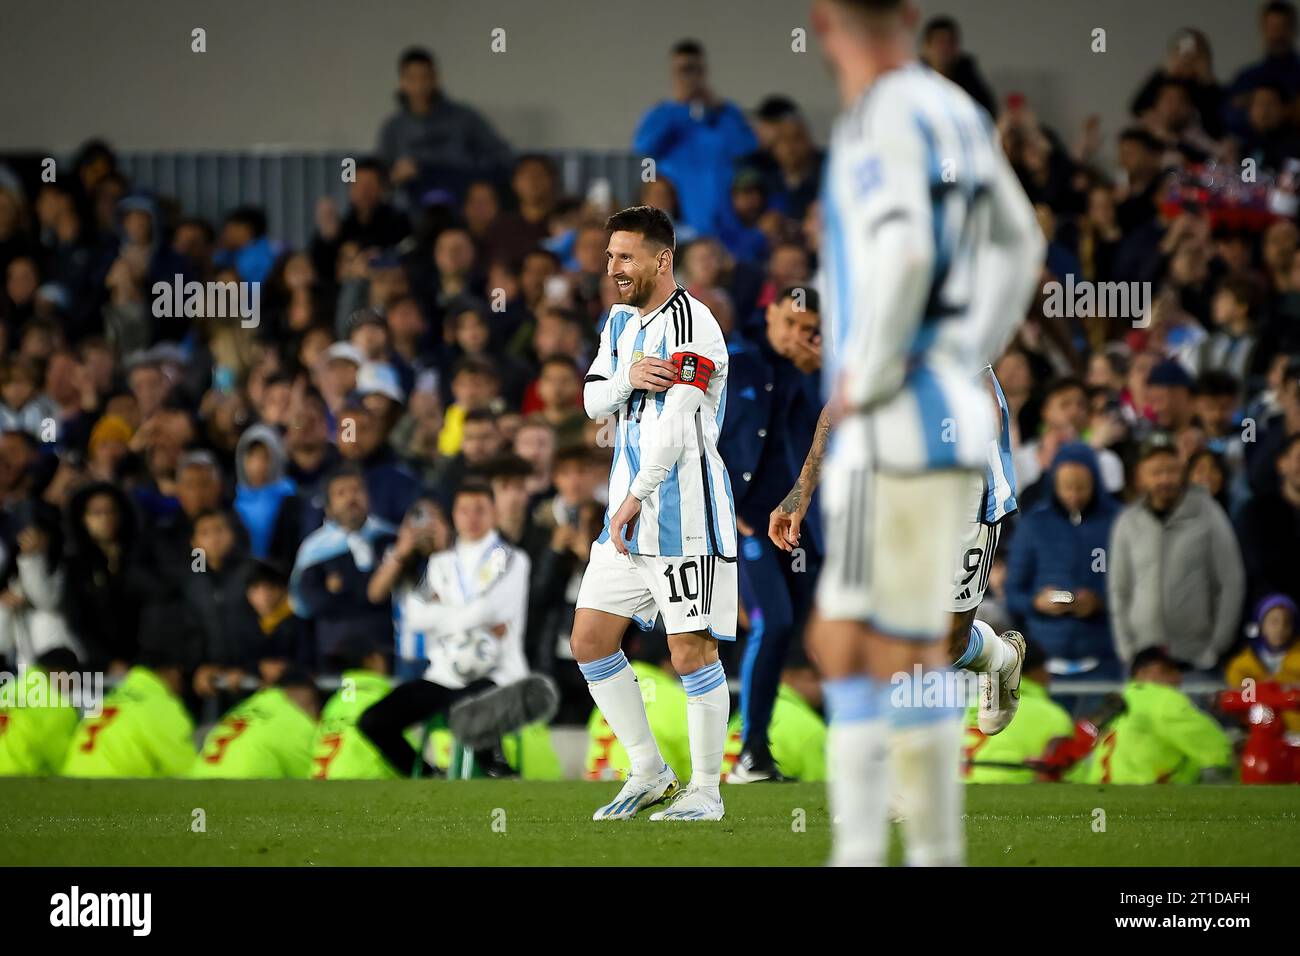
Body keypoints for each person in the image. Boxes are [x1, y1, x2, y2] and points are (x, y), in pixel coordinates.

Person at [800, 0, 1042, 866]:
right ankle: (926, 845)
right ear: (908, 14)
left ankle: (866, 849)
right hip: (959, 418)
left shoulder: (878, 120)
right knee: (910, 641)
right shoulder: (958, 110)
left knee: (864, 642)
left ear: (824, 21)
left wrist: (879, 372)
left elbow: (901, 254)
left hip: (898, 418)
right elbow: (1023, 242)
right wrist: (964, 350)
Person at [573, 205, 738, 822]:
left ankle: (706, 791)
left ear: (661, 258)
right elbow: (593, 401)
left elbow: (680, 422)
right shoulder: (618, 322)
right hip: (628, 518)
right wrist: (628, 379)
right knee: (589, 640)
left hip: (682, 515)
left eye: (625, 257)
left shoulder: (696, 327)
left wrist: (637, 496)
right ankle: (648, 770)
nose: (613, 267)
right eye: (610, 255)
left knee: (691, 651)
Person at [358, 482, 556, 777]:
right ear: (454, 516)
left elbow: (486, 611)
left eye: (480, 510)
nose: (472, 518)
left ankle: (496, 767)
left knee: (464, 709)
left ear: (494, 514)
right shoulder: (440, 563)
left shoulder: (515, 560)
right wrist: (472, 614)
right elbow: (415, 616)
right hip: (442, 676)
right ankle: (428, 778)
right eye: (464, 511)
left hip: (496, 675)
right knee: (373, 721)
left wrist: (445, 608)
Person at [718, 286, 825, 782]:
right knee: (772, 622)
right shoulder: (731, 360)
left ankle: (757, 752)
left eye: (808, 330)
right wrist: (726, 509)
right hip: (746, 522)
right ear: (769, 315)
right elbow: (702, 438)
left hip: (802, 526)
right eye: (791, 323)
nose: (798, 336)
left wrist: (821, 374)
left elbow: (826, 440)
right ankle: (748, 750)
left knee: (796, 633)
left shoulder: (816, 377)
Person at [1108, 436, 1245, 671]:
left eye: (1171, 470)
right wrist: (1127, 650)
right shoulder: (1127, 522)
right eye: (1156, 472)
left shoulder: (1208, 512)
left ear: (1182, 471)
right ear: (1141, 475)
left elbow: (1231, 581)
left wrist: (1217, 646)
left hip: (1197, 659)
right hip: (1143, 662)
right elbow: (1119, 590)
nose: (1164, 479)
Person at [1005, 443, 1120, 679]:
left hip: (1104, 656)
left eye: (1082, 487)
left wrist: (1099, 603)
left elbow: (1136, 590)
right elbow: (1012, 594)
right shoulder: (1034, 524)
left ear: (1096, 483)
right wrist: (1037, 602)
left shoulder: (1119, 522)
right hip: (1045, 661)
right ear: (1054, 484)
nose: (1074, 495)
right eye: (1067, 487)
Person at [632, 41, 758, 237]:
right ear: (673, 73)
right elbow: (643, 146)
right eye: (683, 70)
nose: (690, 76)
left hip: (725, 221)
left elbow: (747, 147)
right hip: (677, 222)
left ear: (705, 71)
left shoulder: (725, 111)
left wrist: (719, 109)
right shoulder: (662, 112)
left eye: (695, 69)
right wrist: (675, 107)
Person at [289, 465, 397, 664]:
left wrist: (340, 590)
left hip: (387, 650)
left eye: (357, 490)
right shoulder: (315, 550)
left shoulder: (390, 539)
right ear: (328, 506)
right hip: (336, 654)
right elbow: (313, 603)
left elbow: (397, 597)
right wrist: (368, 593)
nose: (351, 498)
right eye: (341, 493)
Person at [1078, 646, 1232, 784]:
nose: (1177, 677)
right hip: (1143, 796)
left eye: (1178, 671)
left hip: (1099, 792)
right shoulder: (1164, 699)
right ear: (1141, 673)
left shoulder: (1115, 701)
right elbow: (1213, 747)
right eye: (1167, 671)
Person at [374, 47, 512, 199]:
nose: (419, 86)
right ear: (402, 82)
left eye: (425, 77)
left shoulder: (464, 118)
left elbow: (502, 157)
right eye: (412, 79)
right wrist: (395, 177)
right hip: (413, 205)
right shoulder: (393, 128)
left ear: (435, 79)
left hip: (460, 198)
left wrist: (465, 168)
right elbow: (379, 181)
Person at [61, 655, 195, 778]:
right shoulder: (161, 705)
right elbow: (186, 769)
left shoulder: (108, 700)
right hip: (110, 787)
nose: (181, 682)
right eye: (180, 674)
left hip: (70, 781)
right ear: (169, 672)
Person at [962, 640, 1073, 784]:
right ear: (1037, 671)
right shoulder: (1052, 715)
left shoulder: (969, 704)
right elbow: (1067, 774)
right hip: (1005, 789)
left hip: (951, 789)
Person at [189, 671, 320, 779]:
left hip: (196, 781)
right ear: (311, 702)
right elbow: (315, 779)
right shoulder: (295, 719)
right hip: (238, 789)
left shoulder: (245, 707)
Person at [309, 635, 399, 780]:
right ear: (373, 660)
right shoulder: (383, 701)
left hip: (323, 784)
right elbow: (409, 756)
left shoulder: (335, 703)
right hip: (369, 787)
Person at [0, 648, 82, 776]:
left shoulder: (6, 689)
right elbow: (64, 764)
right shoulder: (58, 706)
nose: (69, 692)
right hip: (15, 779)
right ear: (62, 673)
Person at [1225, 594, 1300, 732]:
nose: (1280, 628)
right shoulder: (1242, 666)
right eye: (1274, 622)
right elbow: (1240, 702)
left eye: (1287, 622)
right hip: (1259, 735)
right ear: (1260, 625)